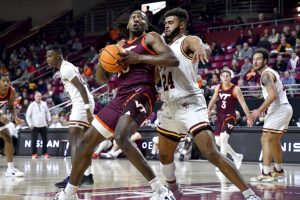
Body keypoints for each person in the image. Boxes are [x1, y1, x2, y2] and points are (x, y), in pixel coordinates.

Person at [54, 10, 179, 200]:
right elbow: (101, 79)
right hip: (120, 96)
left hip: (142, 91)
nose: (137, 20)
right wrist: (103, 62)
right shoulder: (119, 46)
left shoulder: (150, 38)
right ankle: (69, 193)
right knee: (85, 144)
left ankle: (160, 190)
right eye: (133, 18)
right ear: (128, 25)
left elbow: (172, 60)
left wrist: (140, 58)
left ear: (146, 25)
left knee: (121, 137)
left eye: (141, 19)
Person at [157, 7, 261, 200]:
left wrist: (201, 49)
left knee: (211, 152)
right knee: (164, 155)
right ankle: (174, 192)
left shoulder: (187, 40)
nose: (167, 26)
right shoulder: (164, 50)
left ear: (181, 25)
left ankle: (250, 195)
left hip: (189, 103)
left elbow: (202, 46)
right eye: (165, 23)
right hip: (169, 106)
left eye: (170, 22)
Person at [46, 45, 95, 188]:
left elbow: (80, 87)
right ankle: (87, 176)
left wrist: (87, 110)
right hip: (83, 101)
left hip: (81, 103)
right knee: (85, 142)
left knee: (74, 139)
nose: (47, 59)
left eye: (50, 56)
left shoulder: (65, 68)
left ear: (58, 56)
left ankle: (74, 178)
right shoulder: (67, 67)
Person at [249, 48, 293, 182]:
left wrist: (259, 110)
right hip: (285, 108)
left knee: (266, 139)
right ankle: (278, 171)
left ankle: (266, 173)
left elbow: (273, 95)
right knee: (273, 140)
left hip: (279, 108)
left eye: (259, 59)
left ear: (265, 61)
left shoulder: (265, 75)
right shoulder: (270, 73)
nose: (255, 61)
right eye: (254, 59)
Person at [207, 69, 251, 170]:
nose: (225, 78)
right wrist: (208, 109)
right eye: (224, 76)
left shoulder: (236, 89)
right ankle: (236, 156)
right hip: (220, 116)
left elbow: (243, 103)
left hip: (230, 116)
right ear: (221, 78)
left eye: (227, 76)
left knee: (223, 139)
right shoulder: (218, 87)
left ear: (230, 77)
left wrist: (248, 117)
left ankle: (222, 164)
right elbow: (213, 99)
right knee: (218, 141)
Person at [0, 73, 24, 177]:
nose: (6, 83)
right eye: (3, 81)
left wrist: (15, 117)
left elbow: (10, 107)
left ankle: (10, 169)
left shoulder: (11, 91)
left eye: (8, 81)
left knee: (7, 137)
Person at [26, 91, 51, 159]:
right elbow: (28, 116)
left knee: (45, 140)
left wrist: (49, 120)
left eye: (40, 96)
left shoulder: (44, 104)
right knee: (34, 140)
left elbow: (47, 113)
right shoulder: (31, 105)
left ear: (41, 97)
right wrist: (30, 124)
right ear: (34, 97)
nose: (39, 97)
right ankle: (34, 154)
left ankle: (44, 153)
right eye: (37, 96)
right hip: (35, 125)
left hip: (43, 125)